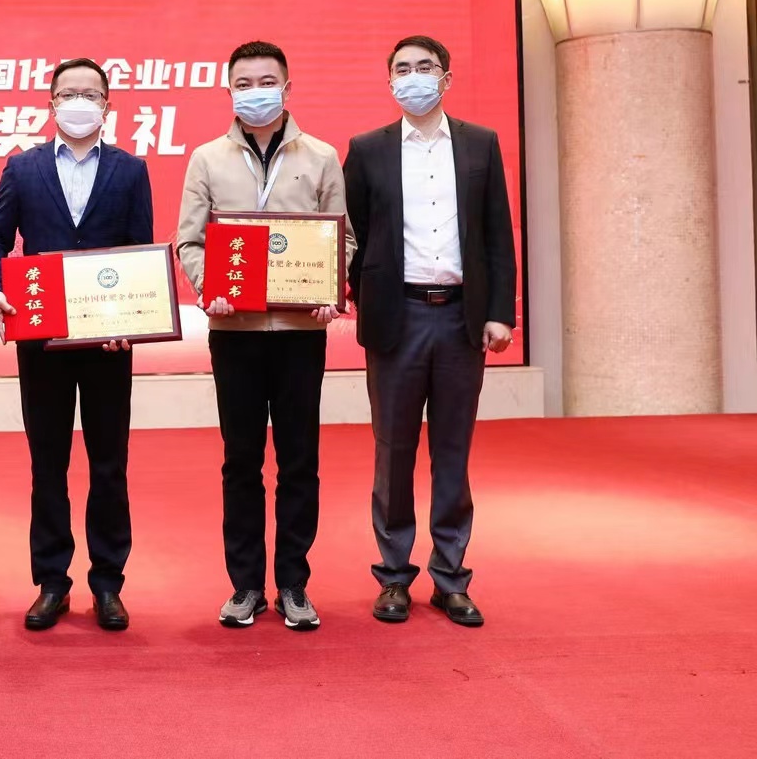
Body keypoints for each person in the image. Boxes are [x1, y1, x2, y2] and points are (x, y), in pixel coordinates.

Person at [176, 40, 355, 631]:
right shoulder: (206, 158)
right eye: (244, 83)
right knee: (241, 461)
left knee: (300, 461)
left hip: (301, 331)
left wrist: (332, 286)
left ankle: (295, 583)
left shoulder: (322, 156)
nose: (256, 92)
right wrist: (210, 286)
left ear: (287, 86)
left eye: (266, 81)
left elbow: (344, 238)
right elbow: (190, 241)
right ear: (229, 90)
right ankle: (246, 585)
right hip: (235, 330)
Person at [344, 35, 516, 628]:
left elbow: (497, 233)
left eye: (425, 67)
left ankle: (450, 577)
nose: (413, 76)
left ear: (446, 78)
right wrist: (360, 295)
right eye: (402, 68)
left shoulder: (479, 143)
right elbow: (352, 234)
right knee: (393, 452)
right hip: (398, 318)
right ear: (389, 80)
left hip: (462, 317)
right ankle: (393, 577)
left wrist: (499, 311)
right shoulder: (367, 149)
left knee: (452, 450)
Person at [0, 58, 155, 632]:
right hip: (42, 337)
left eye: (91, 93)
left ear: (107, 104)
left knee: (110, 464)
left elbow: (139, 251)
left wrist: (136, 317)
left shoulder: (131, 170)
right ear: (51, 103)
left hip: (108, 342)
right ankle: (52, 581)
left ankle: (108, 583)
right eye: (68, 93)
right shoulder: (23, 167)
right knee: (47, 463)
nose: (80, 102)